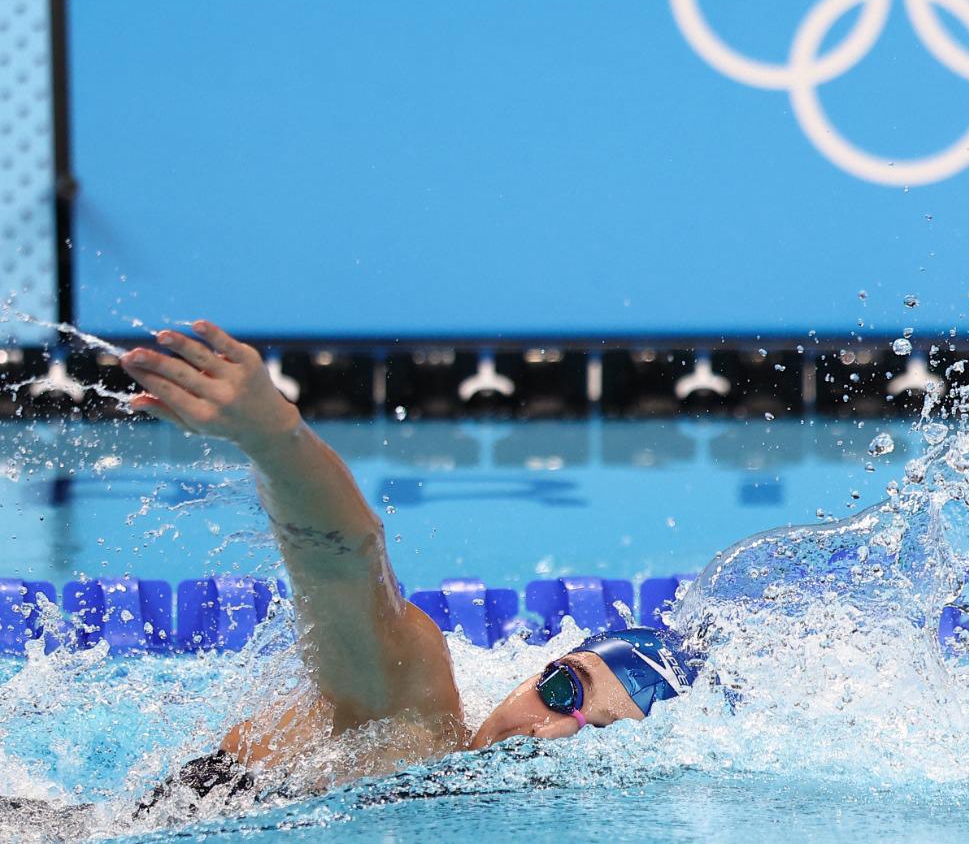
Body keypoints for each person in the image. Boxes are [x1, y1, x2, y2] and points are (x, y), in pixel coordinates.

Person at [103, 321, 699, 810]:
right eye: (563, 688)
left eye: (599, 738)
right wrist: (274, 435)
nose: (552, 730)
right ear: (536, 671)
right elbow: (345, 564)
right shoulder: (415, 726)